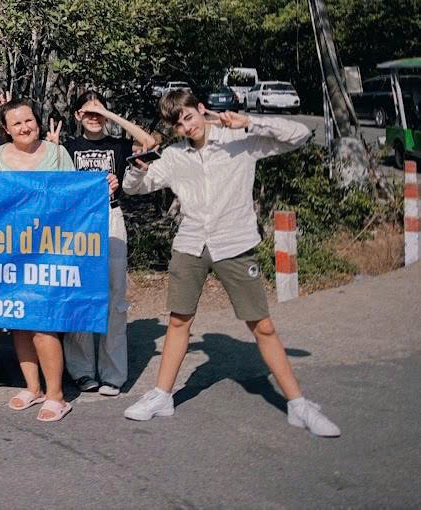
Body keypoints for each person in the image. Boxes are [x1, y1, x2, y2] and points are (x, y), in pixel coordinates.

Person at [121, 91, 340, 437]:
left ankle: (298, 405)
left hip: (234, 244)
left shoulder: (239, 139)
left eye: (189, 117)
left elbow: (299, 134)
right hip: (191, 245)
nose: (186, 127)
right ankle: (161, 396)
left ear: (201, 109)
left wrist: (250, 121)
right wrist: (138, 167)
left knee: (262, 325)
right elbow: (134, 188)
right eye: (178, 124)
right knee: (178, 320)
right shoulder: (175, 156)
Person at [0, 99, 75, 422]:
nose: (25, 127)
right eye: (17, 123)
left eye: (29, 120)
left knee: (43, 323)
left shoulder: (57, 154)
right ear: (6, 129)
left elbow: (74, 198)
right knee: (19, 322)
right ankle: (33, 387)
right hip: (9, 251)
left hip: (49, 250)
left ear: (38, 121)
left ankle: (56, 395)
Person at [61, 90, 158, 398]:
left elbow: (150, 142)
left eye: (98, 112)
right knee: (79, 292)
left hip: (110, 216)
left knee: (114, 296)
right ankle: (81, 370)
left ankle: (112, 374)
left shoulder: (118, 145)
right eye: (87, 111)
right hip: (78, 221)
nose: (94, 117)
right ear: (77, 115)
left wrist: (109, 115)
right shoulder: (67, 148)